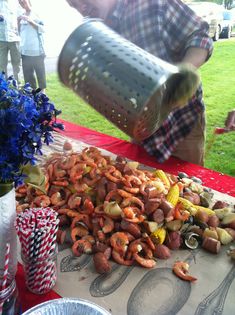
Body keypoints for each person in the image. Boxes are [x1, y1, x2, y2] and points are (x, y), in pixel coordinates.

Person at [65, 0, 213, 166]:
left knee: (186, 186)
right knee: (146, 184)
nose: (81, 8)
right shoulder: (99, 31)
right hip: (142, 130)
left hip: (181, 127)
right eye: (73, 5)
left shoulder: (152, 4)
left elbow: (200, 36)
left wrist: (185, 69)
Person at [18, 0, 46, 92]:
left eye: (24, 1)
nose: (22, 3)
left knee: (40, 75)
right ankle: (32, 96)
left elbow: (43, 29)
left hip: (37, 51)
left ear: (29, 1)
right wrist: (18, 21)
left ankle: (43, 96)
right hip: (25, 51)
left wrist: (30, 21)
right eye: (20, 2)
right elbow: (19, 32)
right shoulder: (21, 15)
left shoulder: (37, 13)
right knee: (28, 77)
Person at [0, 0, 21, 81]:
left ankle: (19, 86)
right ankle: (3, 87)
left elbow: (20, 17)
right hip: (1, 39)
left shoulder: (15, 2)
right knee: (1, 65)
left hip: (14, 38)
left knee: (17, 64)